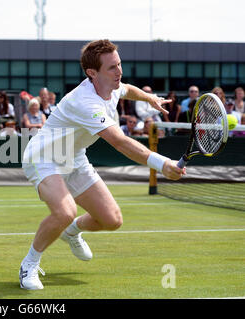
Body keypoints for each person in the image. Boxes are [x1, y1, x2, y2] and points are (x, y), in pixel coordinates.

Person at [19, 39, 185, 290]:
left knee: (112, 220)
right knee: (65, 211)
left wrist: (149, 97)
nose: (119, 71)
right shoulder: (85, 102)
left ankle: (71, 231)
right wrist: (162, 164)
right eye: (112, 67)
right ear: (92, 73)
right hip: (43, 157)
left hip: (73, 157)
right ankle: (29, 265)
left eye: (119, 64)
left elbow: (128, 89)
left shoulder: (113, 85)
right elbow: (120, 142)